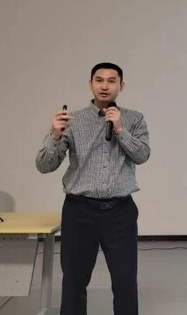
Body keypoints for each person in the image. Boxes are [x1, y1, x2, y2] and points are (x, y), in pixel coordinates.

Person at [36, 62, 150, 315]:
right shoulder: (72, 120)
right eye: (99, 80)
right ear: (90, 84)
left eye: (111, 81)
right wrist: (54, 135)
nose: (105, 86)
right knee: (74, 280)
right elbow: (44, 165)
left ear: (121, 86)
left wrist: (120, 129)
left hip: (120, 212)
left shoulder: (134, 119)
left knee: (125, 281)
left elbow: (142, 155)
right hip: (79, 211)